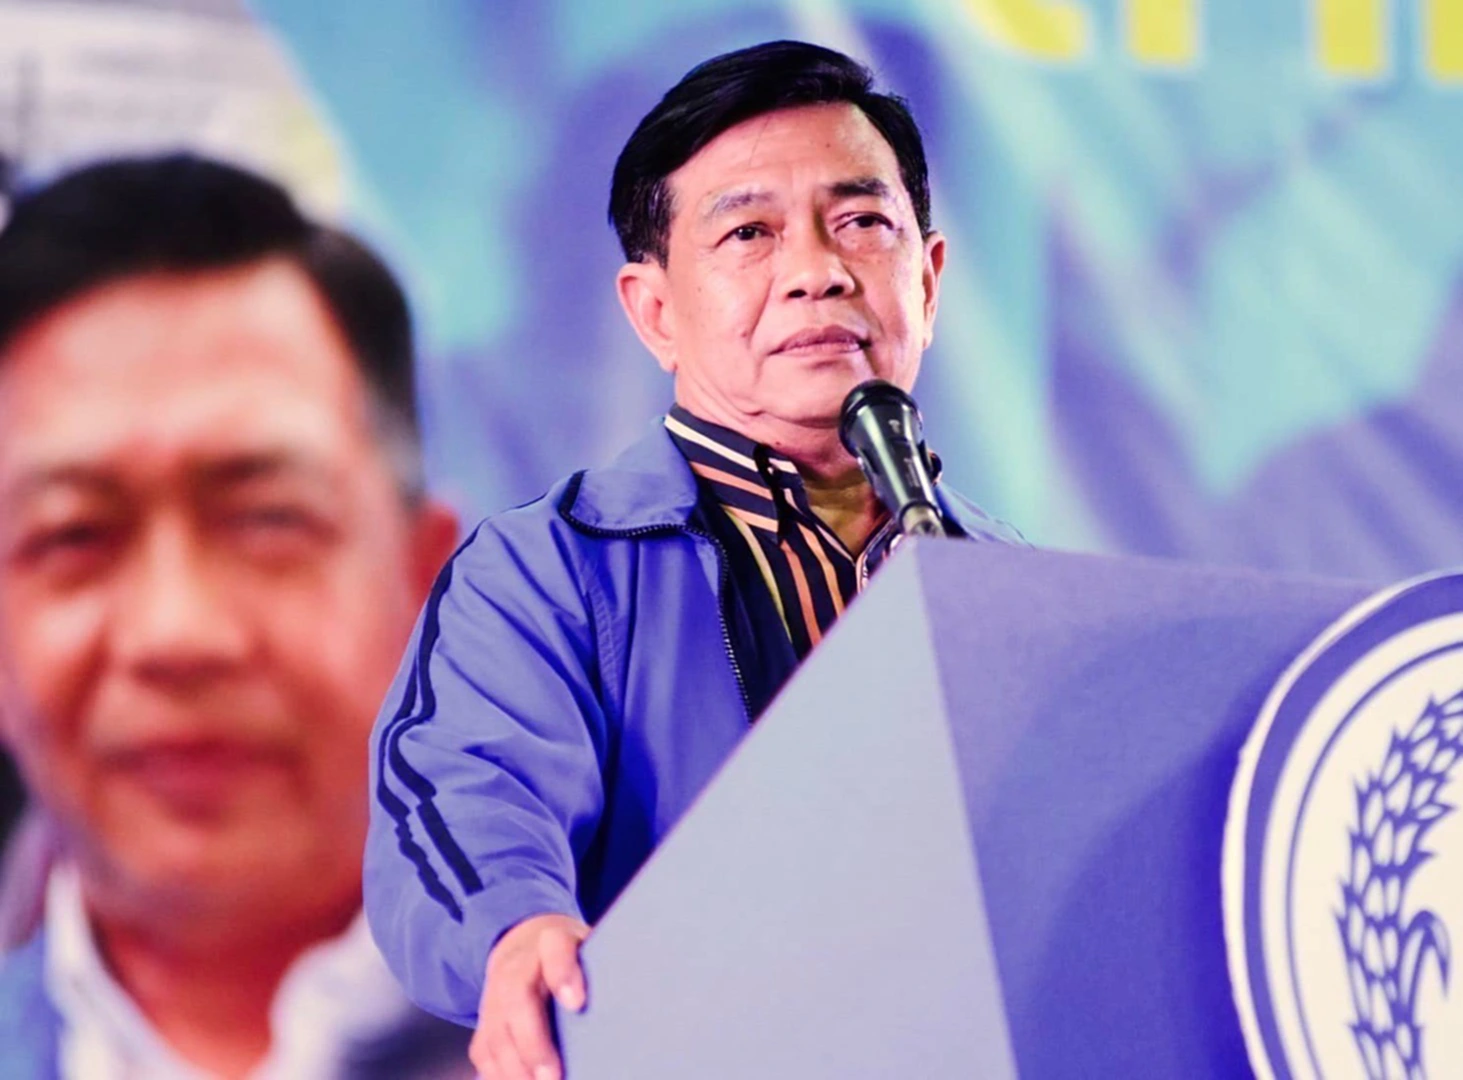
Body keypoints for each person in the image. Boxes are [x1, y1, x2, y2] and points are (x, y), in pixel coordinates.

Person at [365, 40, 1020, 1080]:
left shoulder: (1016, 588)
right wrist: (514, 929)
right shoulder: (548, 572)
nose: (816, 271)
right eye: (749, 233)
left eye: (861, 222)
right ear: (654, 311)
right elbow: (464, 788)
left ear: (929, 280)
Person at [0, 154, 468, 1078]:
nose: (177, 634)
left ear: (431, 582)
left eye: (267, 520)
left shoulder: (670, 1006)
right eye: (75, 534)